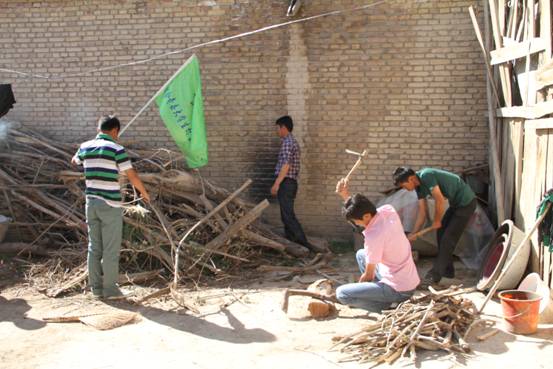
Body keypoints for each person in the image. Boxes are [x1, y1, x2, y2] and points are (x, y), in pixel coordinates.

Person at [72, 115, 150, 299]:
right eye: (118, 133)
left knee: (94, 247)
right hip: (110, 204)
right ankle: (111, 290)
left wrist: (80, 159)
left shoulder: (85, 147)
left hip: (91, 203)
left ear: (99, 129)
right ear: (115, 130)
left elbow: (74, 161)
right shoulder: (117, 149)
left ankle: (96, 290)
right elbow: (131, 175)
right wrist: (144, 193)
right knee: (110, 249)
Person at [334, 179, 419, 312]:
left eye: (356, 221)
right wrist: (346, 196)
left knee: (342, 294)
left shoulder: (374, 237)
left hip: (399, 290)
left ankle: (383, 306)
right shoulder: (387, 211)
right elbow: (361, 208)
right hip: (408, 281)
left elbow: (368, 275)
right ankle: (378, 294)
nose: (357, 224)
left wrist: (357, 290)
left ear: (367, 216)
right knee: (361, 254)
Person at [393, 167, 476, 284]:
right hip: (455, 205)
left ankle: (435, 275)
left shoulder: (426, 175)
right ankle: (448, 271)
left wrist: (437, 221)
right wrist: (414, 233)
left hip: (466, 203)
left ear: (411, 179)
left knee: (448, 239)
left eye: (404, 185)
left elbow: (440, 200)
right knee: (441, 233)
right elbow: (422, 212)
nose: (405, 189)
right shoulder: (418, 188)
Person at [271, 115, 310, 248]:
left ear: (284, 127)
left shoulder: (288, 143)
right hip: (288, 183)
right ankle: (292, 244)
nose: (277, 131)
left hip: (286, 183)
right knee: (286, 215)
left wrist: (276, 184)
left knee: (288, 215)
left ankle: (303, 243)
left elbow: (286, 165)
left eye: (278, 128)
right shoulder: (291, 142)